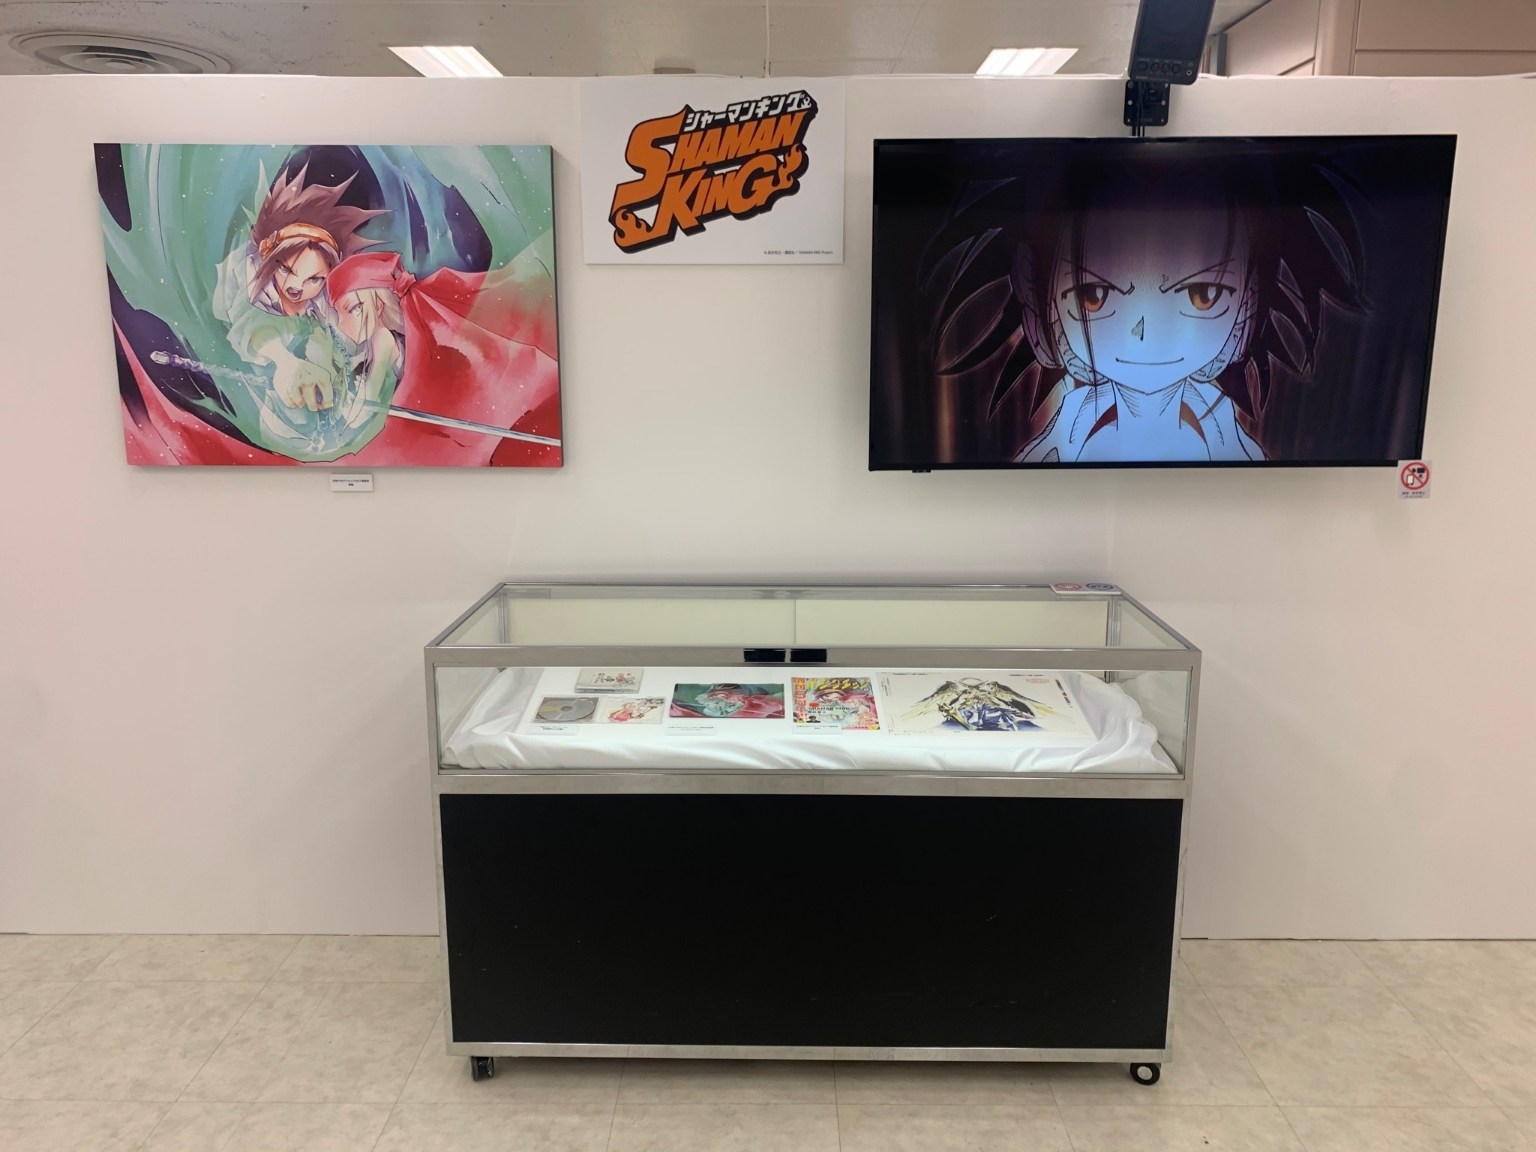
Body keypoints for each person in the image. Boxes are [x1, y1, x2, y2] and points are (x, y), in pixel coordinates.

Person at [324, 250, 562, 467]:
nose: (342, 324)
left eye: (352, 309)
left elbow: (364, 409)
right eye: (338, 313)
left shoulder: (382, 339)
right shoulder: (400, 336)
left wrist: (343, 412)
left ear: (377, 305)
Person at [212, 164, 385, 416]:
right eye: (286, 270)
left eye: (314, 279)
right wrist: (284, 360)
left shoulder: (333, 298)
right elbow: (254, 324)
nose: (296, 286)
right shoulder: (251, 275)